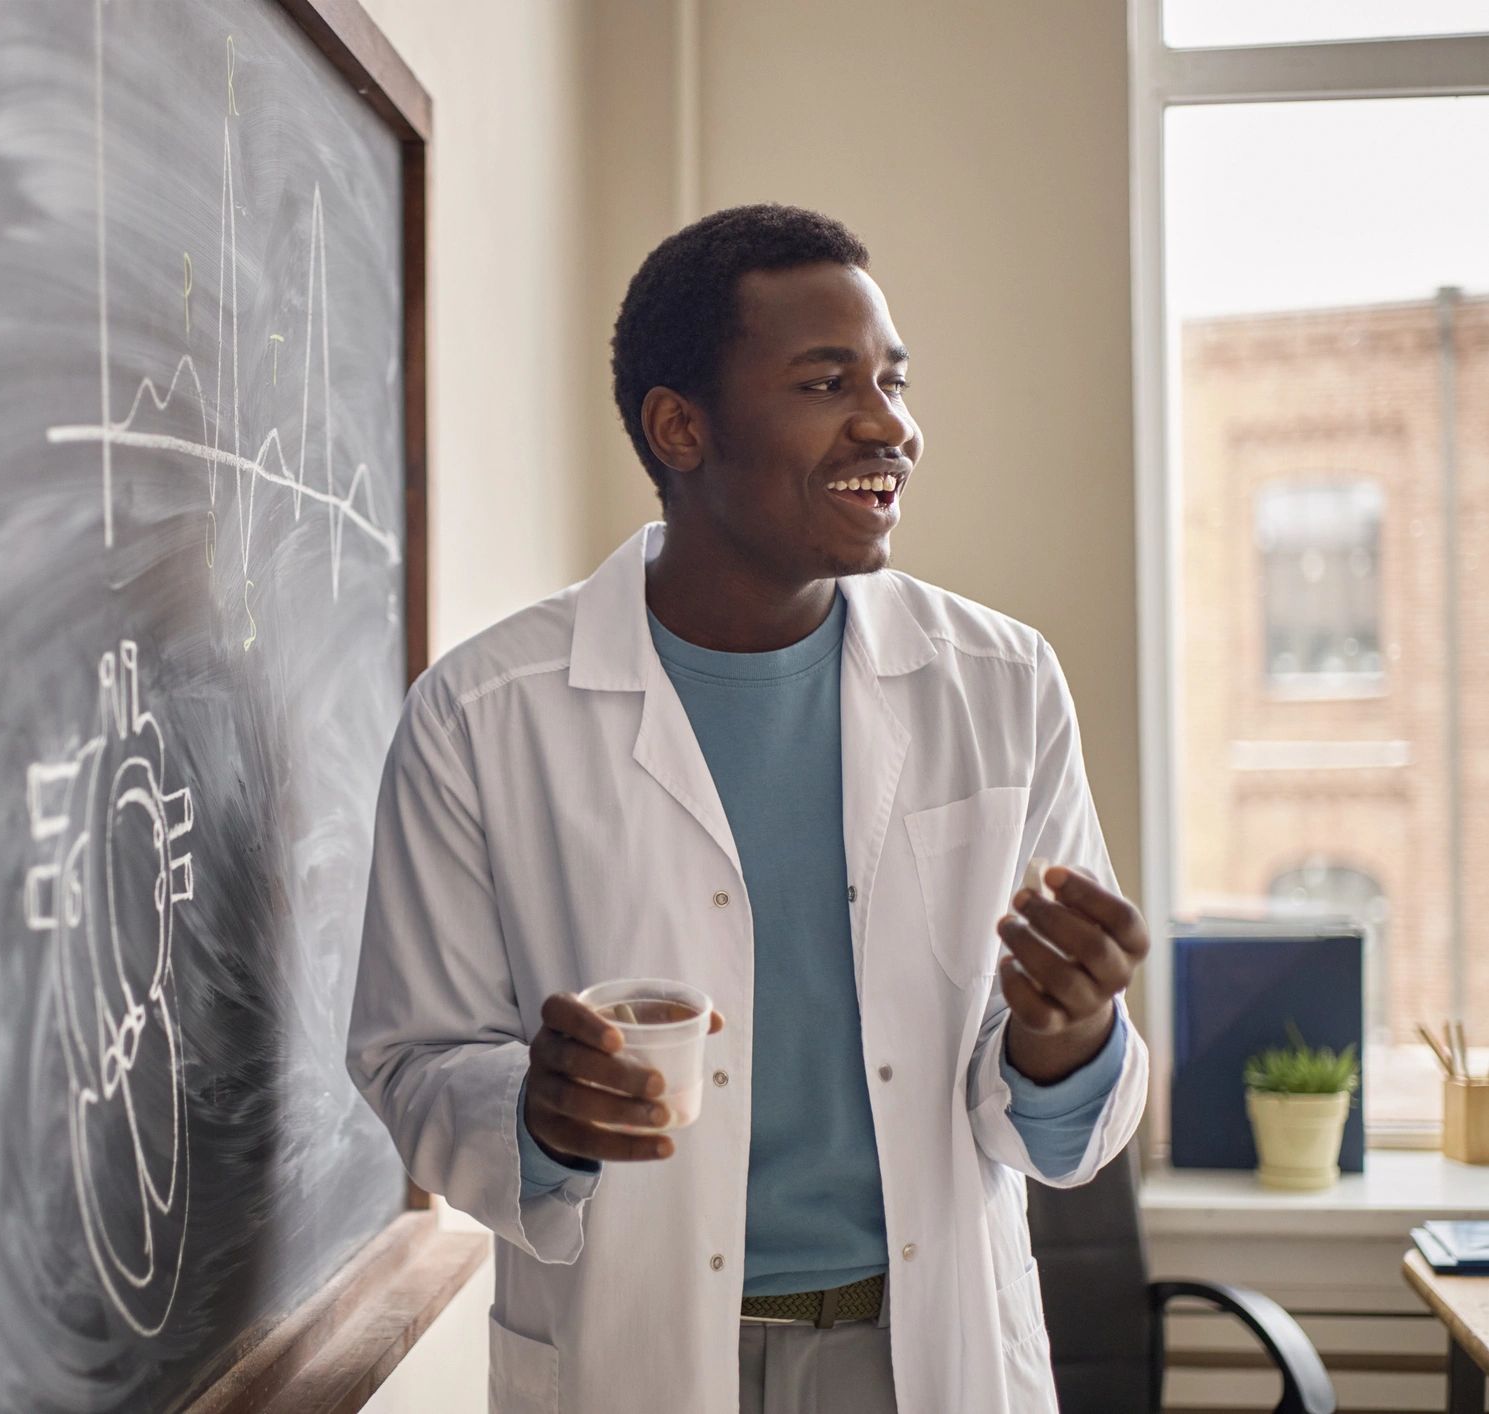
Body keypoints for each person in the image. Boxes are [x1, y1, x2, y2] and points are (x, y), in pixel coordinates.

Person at [347, 204, 1150, 1414]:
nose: (891, 424)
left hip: (926, 1357)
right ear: (682, 427)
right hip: (641, 1360)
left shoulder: (1001, 684)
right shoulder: (483, 714)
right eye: (829, 382)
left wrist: (1068, 1030)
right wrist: (541, 1115)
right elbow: (413, 1061)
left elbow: (1052, 1122)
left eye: (892, 380)